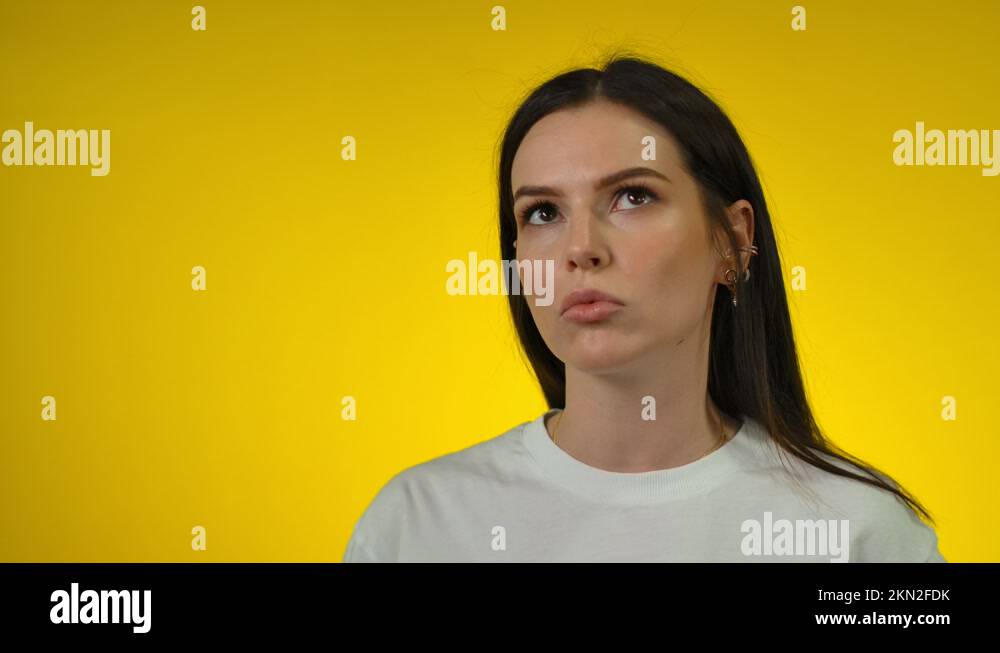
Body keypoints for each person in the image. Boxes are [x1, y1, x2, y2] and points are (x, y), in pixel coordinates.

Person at [343, 53, 946, 563]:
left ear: (732, 241)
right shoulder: (414, 526)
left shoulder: (863, 536)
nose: (580, 249)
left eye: (633, 196)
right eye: (542, 213)